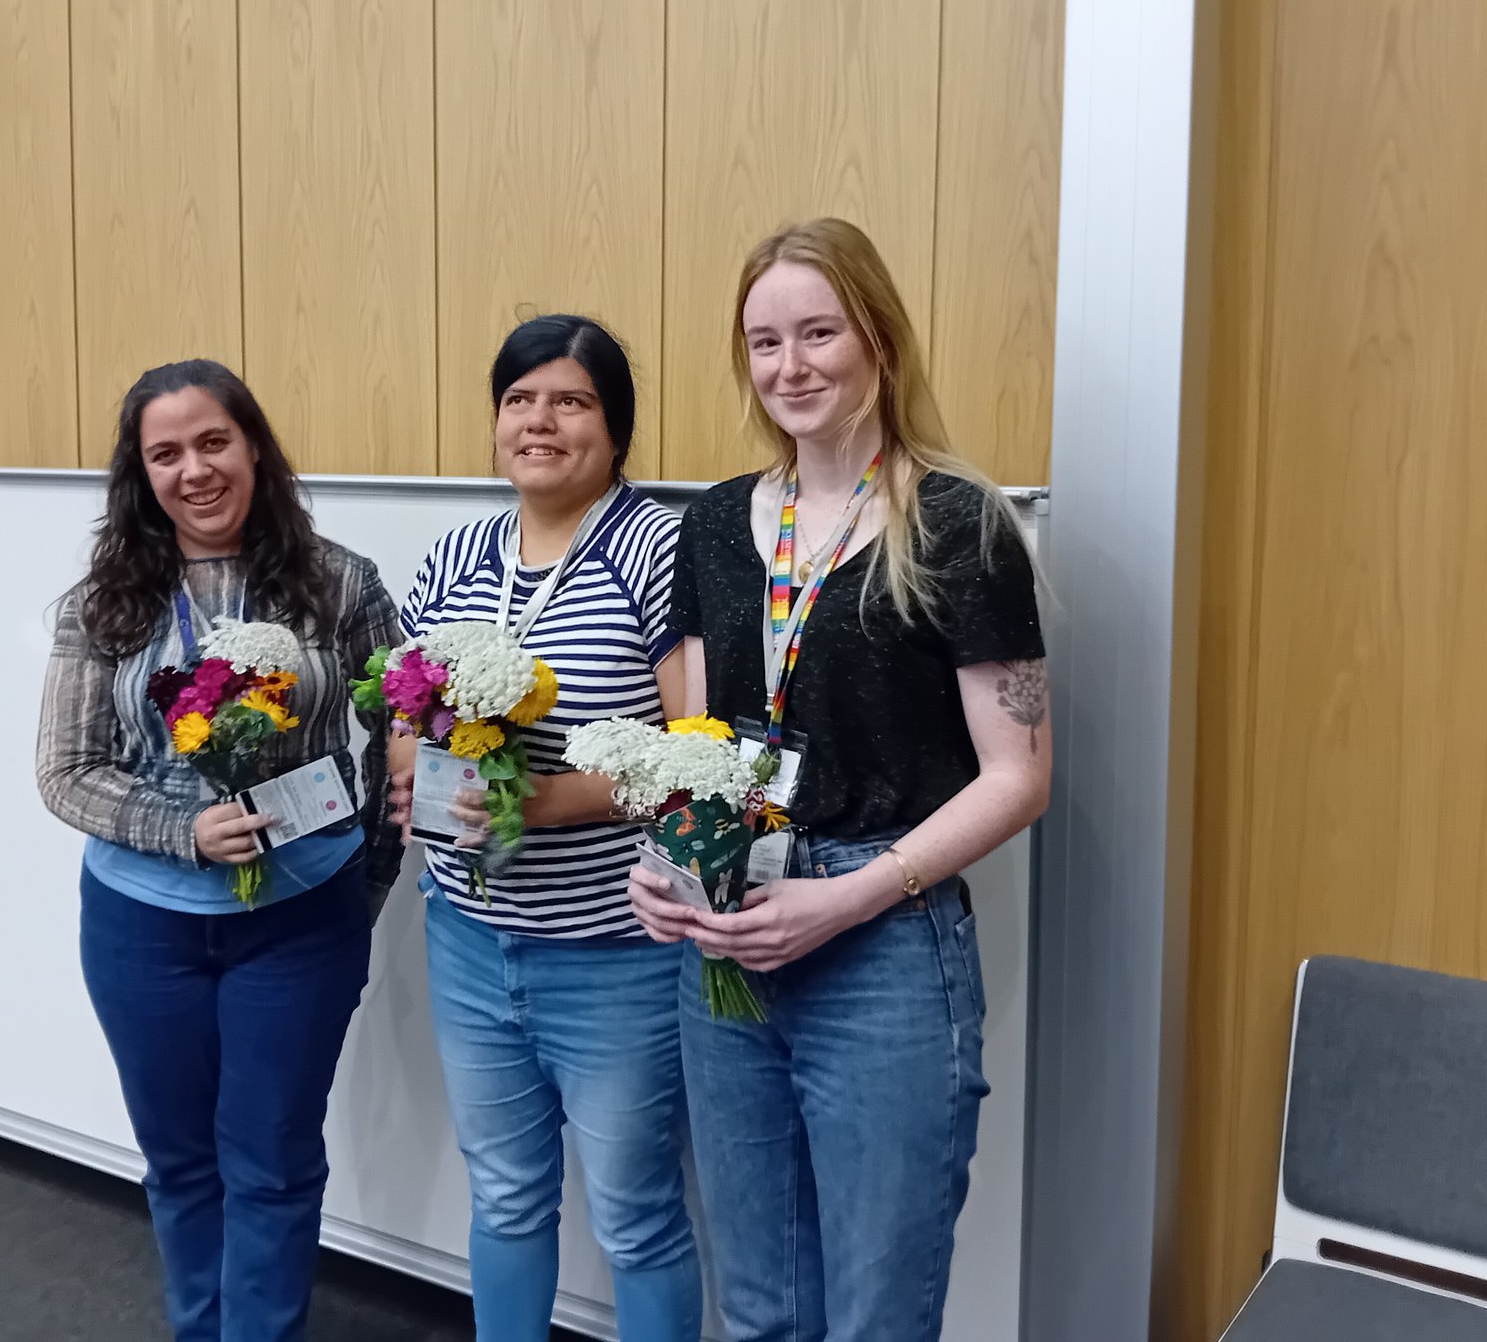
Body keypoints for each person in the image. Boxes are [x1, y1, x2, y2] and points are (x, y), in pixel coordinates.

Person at [630, 219, 1052, 1341]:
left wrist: (844, 899)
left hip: (883, 940)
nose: (791, 366)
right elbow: (699, 739)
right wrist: (666, 857)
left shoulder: (955, 522)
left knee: (875, 1317)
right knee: (760, 1309)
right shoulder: (713, 522)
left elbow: (1018, 777)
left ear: (879, 338)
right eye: (765, 342)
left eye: (819, 333)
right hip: (729, 925)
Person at [36, 359, 401, 1342]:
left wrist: (366, 875)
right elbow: (65, 771)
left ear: (253, 449)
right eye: (165, 454)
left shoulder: (339, 582)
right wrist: (182, 832)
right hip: (141, 931)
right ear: (141, 474)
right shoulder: (103, 604)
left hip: (300, 924)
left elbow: (406, 722)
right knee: (182, 1161)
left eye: (212, 442)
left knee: (273, 1161)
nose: (193, 470)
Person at [390, 315, 702, 1341]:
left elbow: (696, 754)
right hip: (469, 940)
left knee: (636, 1217)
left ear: (615, 428)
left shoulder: (657, 550)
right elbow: (403, 710)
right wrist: (411, 773)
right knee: (505, 1198)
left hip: (615, 954)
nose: (540, 421)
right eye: (519, 399)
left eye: (570, 401)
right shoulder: (456, 555)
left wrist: (539, 805)